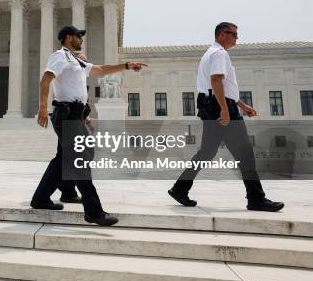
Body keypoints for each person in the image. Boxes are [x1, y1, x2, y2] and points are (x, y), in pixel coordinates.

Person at [31, 25, 147, 226]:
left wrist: (126, 66)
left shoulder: (75, 60)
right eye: (78, 36)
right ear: (68, 38)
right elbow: (45, 79)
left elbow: (100, 70)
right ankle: (93, 211)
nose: (81, 40)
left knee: (64, 159)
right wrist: (42, 108)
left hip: (75, 116)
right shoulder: (60, 57)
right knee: (80, 158)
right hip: (66, 116)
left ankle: (42, 198)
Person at [169, 22, 284, 212]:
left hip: (211, 105)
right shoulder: (220, 53)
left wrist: (241, 104)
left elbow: (222, 85)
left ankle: (180, 188)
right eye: (234, 34)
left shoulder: (211, 53)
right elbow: (216, 80)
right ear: (222, 35)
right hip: (219, 106)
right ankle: (256, 199)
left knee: (206, 152)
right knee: (245, 154)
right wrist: (225, 109)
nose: (237, 38)